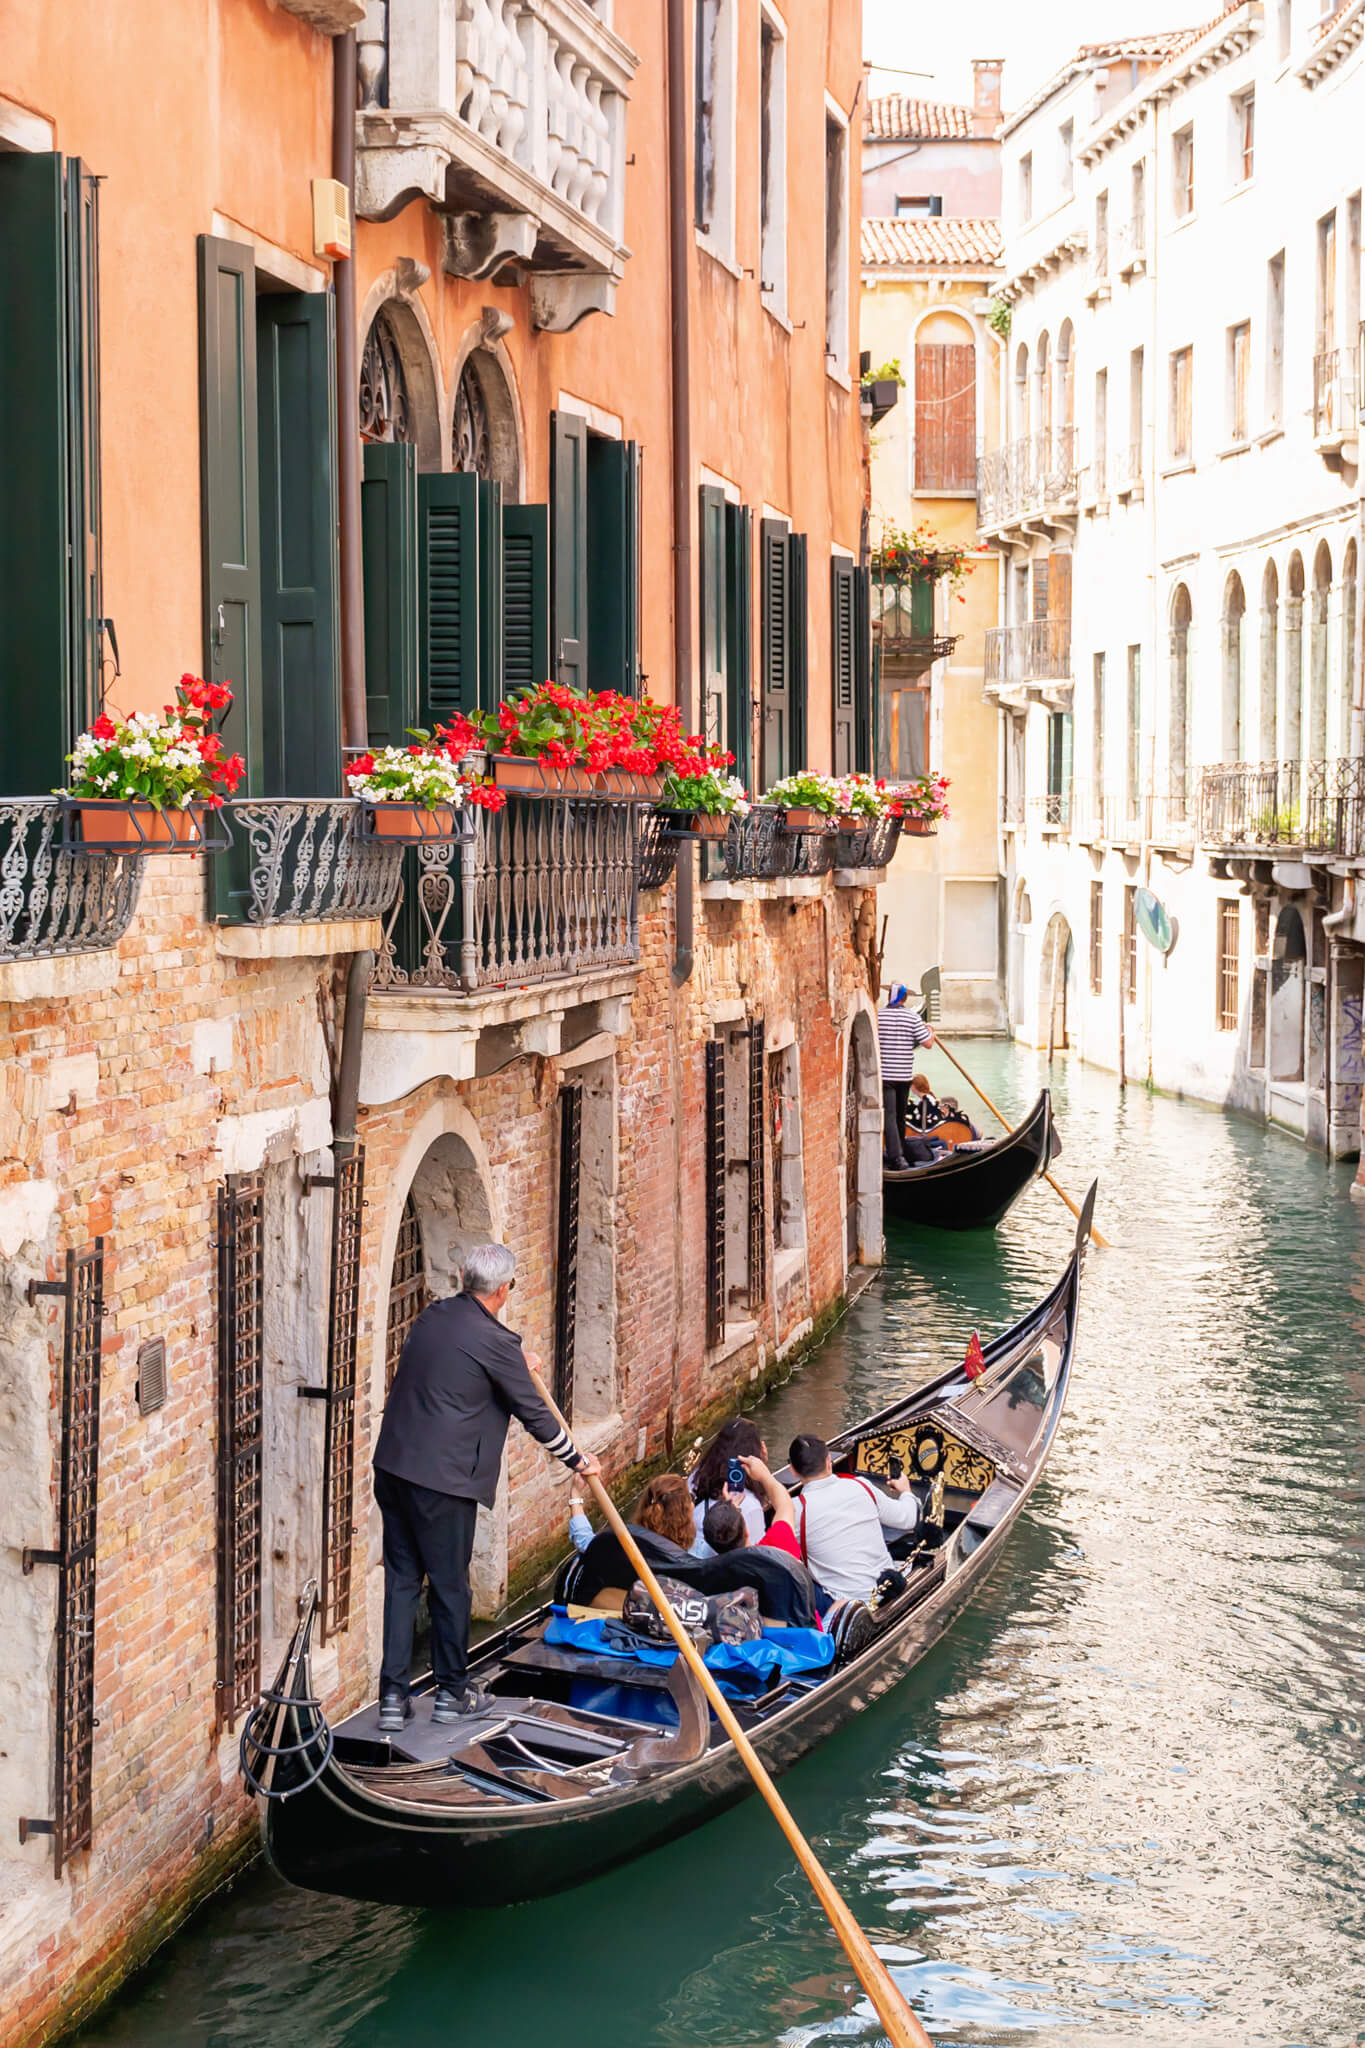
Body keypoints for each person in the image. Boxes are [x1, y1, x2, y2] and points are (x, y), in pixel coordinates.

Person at [373, 1242, 600, 1732]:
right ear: (504, 1290)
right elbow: (536, 1415)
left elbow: (469, 1353)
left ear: (461, 1277)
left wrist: (516, 1357)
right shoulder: (496, 1344)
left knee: (403, 1580)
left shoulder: (433, 1317)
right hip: (443, 1482)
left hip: (393, 1468)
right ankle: (452, 1693)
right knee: (452, 1587)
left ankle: (392, 1698)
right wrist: (577, 1459)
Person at [787, 1433, 921, 1604]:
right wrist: (906, 1491)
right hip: (885, 1589)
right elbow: (908, 1518)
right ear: (829, 1461)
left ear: (793, 1470)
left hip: (844, 1602)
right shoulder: (860, 1485)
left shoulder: (794, 1510)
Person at [569, 1472, 704, 1558]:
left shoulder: (624, 1543)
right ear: (684, 1513)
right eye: (690, 1498)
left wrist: (575, 1493)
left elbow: (585, 1543)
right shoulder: (692, 1557)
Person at [689, 1418, 769, 1551]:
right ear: (753, 1454)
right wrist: (764, 1472)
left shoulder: (695, 1479)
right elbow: (756, 1552)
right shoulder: (750, 1504)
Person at [878, 984, 934, 1171]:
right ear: (904, 999)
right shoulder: (913, 1017)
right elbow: (927, 1044)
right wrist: (930, 1030)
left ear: (889, 998)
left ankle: (898, 1156)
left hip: (885, 1076)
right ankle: (898, 1155)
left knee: (891, 1117)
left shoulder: (878, 1016)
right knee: (900, 1117)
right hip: (904, 1076)